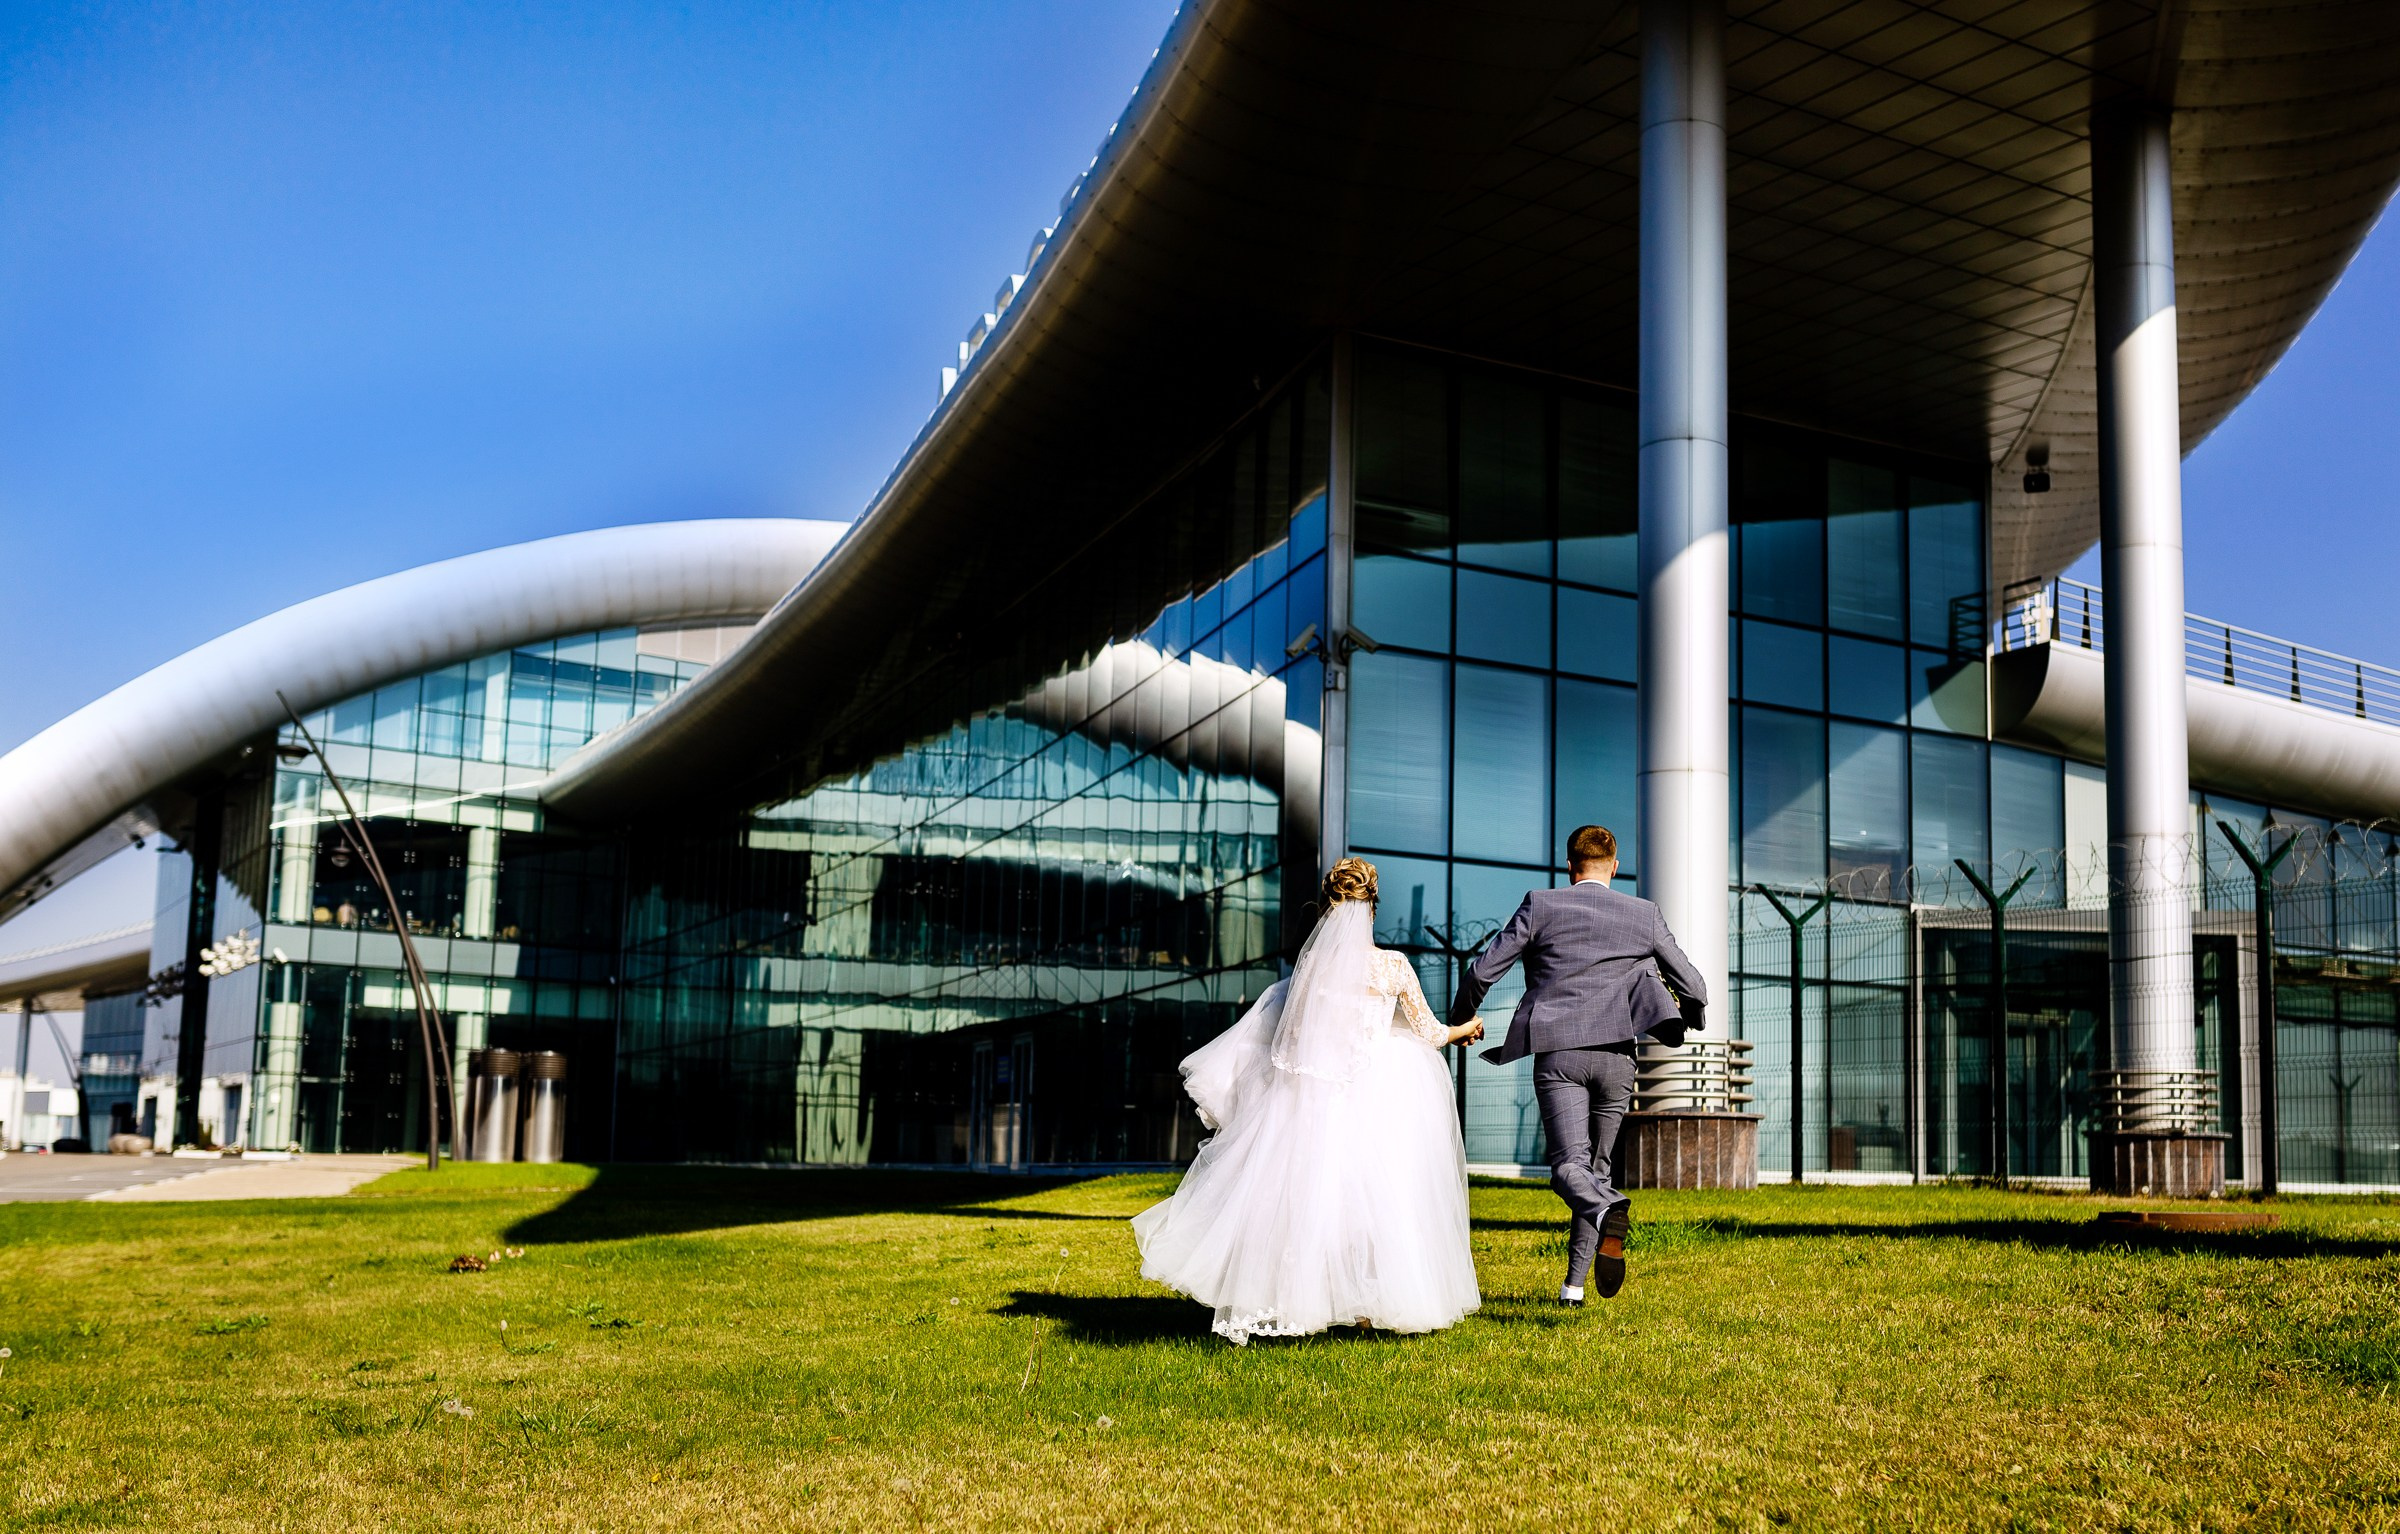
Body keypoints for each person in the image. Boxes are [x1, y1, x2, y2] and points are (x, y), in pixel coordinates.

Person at [1132, 857, 1487, 1345]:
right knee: (1378, 1207)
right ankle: (1366, 1311)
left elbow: (1291, 1038)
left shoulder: (1310, 970)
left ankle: (1302, 1300)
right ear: (1373, 908)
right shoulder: (1392, 966)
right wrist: (1466, 1028)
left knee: (1304, 1206)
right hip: (1377, 1097)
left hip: (1312, 1099)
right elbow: (1427, 1031)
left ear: (1328, 907)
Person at [1449, 825, 1707, 1307]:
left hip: (1561, 1053)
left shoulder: (1541, 904)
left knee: (1570, 1168)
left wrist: (1462, 1017)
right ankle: (1572, 1288)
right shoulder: (1644, 914)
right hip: (1618, 1059)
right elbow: (1694, 986)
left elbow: (1483, 970)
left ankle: (1608, 1210)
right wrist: (1688, 1018)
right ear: (1614, 866)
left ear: (1569, 867)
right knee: (1597, 1169)